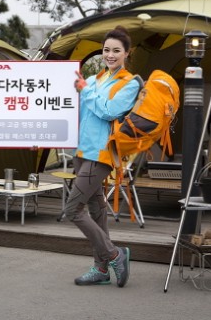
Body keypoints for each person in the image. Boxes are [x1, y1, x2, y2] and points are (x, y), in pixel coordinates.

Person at [66, 25, 141, 287]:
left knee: (72, 209)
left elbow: (109, 111)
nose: (110, 55)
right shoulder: (97, 79)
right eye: (106, 50)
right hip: (82, 151)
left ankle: (113, 254)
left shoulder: (129, 83)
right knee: (97, 209)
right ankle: (100, 269)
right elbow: (84, 115)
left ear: (126, 54)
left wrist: (85, 90)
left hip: (101, 154)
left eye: (116, 51)